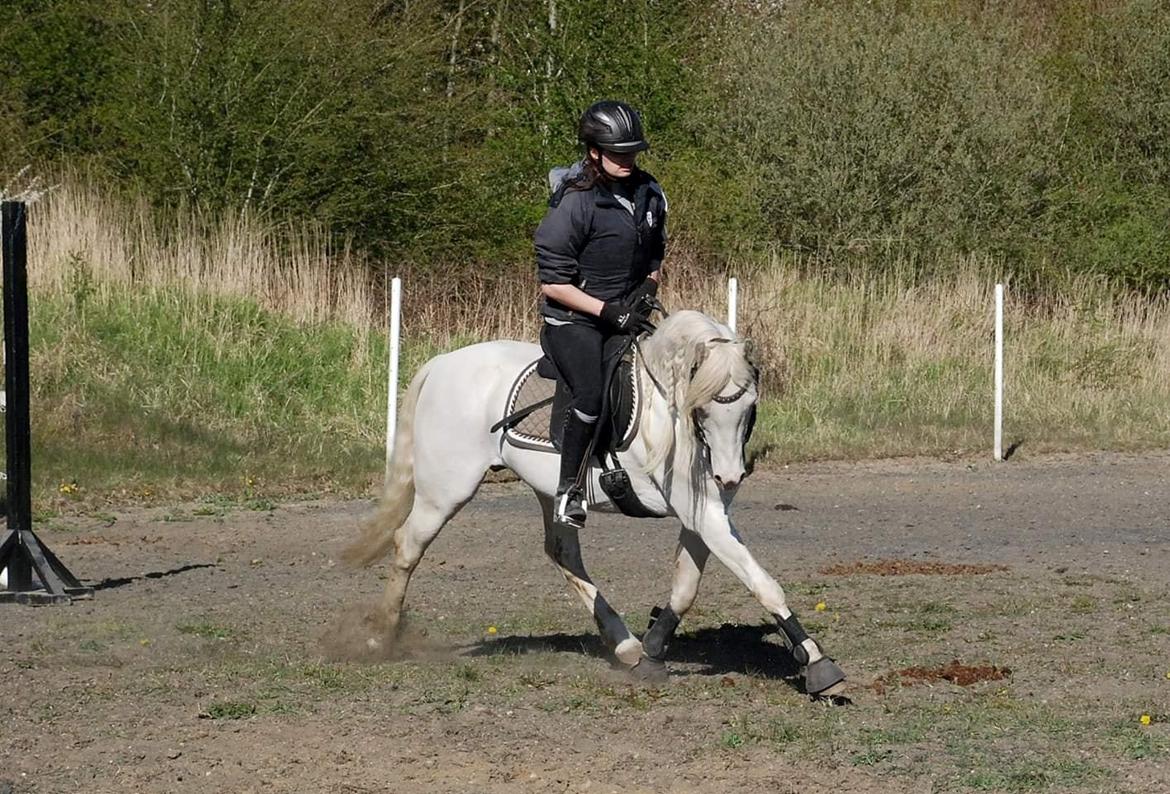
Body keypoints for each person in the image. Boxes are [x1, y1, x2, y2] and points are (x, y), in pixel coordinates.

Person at [534, 100, 668, 528]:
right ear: (594, 151)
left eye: (632, 151)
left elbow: (656, 255)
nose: (627, 160)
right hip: (574, 320)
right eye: (617, 152)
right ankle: (569, 491)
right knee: (591, 393)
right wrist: (607, 312)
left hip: (627, 312)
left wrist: (648, 287)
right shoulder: (575, 202)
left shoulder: (650, 193)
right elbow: (552, 283)